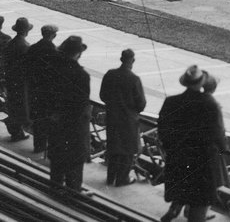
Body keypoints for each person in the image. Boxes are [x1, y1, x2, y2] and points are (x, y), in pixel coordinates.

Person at [159, 65, 227, 222]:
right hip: (202, 165)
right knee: (198, 208)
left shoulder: (171, 102)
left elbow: (163, 131)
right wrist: (223, 149)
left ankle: (175, 209)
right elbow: (219, 135)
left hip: (178, 161)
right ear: (201, 83)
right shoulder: (210, 104)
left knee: (183, 194)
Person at [48, 35, 92, 192]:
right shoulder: (81, 75)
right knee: (74, 163)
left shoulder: (53, 69)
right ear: (78, 53)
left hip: (56, 122)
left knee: (57, 162)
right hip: (74, 126)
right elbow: (81, 105)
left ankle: (56, 188)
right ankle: (73, 191)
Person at [100, 48, 147, 187]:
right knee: (127, 151)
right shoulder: (134, 79)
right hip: (128, 120)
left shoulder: (110, 74)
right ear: (132, 61)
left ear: (121, 59)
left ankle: (110, 177)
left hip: (113, 117)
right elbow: (141, 104)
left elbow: (103, 95)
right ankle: (122, 179)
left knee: (114, 147)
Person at [26, 24, 60, 153]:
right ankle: (45, 146)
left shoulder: (33, 48)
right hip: (48, 92)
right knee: (47, 119)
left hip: (34, 89)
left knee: (38, 119)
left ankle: (38, 144)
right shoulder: (55, 52)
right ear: (53, 36)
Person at [2, 17, 33, 142]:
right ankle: (15, 129)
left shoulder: (10, 43)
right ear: (26, 31)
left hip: (11, 78)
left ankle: (15, 128)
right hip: (21, 81)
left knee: (14, 104)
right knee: (21, 106)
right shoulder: (25, 46)